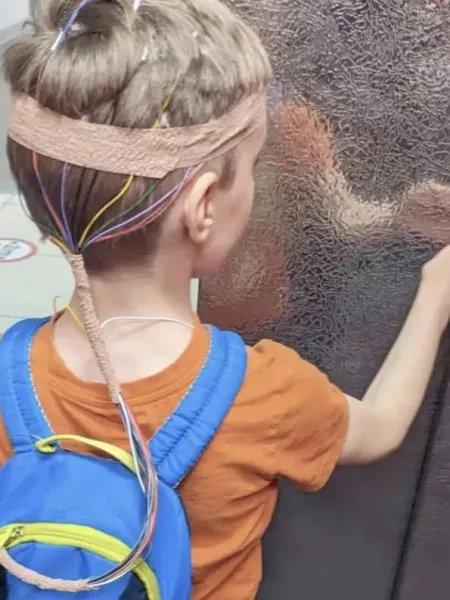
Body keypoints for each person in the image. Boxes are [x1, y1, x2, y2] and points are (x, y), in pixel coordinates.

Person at [1, 1, 450, 599]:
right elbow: (382, 429)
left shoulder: (9, 369)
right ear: (205, 206)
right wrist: (436, 291)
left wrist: (395, 216)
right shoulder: (266, 391)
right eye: (253, 166)